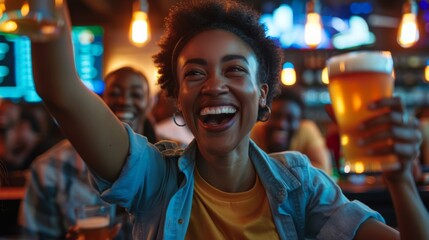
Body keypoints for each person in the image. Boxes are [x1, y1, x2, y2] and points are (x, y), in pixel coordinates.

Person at [30, 0, 428, 239]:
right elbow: (60, 91)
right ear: (178, 103)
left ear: (263, 93)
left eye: (235, 69)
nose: (214, 85)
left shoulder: (300, 184)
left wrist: (400, 181)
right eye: (195, 73)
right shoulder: (154, 177)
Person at [19, 66, 157, 239]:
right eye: (114, 93)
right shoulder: (50, 169)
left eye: (136, 94)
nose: (124, 101)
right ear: (101, 101)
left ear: (151, 103)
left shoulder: (172, 162)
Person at [251, 86, 332, 174]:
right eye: (276, 116)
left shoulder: (306, 130)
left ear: (300, 122)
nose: (281, 124)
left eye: (290, 119)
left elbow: (324, 171)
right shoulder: (255, 130)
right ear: (266, 116)